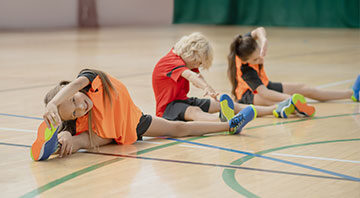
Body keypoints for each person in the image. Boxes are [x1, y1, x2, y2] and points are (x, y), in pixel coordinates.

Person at [31, 69, 256, 161]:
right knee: (76, 139)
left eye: (74, 100)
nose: (81, 107)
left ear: (71, 90)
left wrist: (54, 102)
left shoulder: (91, 81)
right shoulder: (84, 120)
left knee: (179, 128)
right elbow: (89, 136)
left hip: (133, 121)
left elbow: (77, 83)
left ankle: (229, 125)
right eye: (75, 112)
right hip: (112, 133)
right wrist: (68, 138)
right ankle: (57, 144)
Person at [152, 32, 313, 121]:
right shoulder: (170, 61)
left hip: (182, 101)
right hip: (168, 109)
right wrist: (207, 88)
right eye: (199, 63)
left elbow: (198, 77)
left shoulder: (183, 59)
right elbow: (191, 77)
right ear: (192, 55)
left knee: (225, 104)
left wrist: (214, 93)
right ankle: (225, 122)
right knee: (194, 111)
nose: (198, 67)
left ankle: (276, 109)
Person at [227, 27, 360, 116]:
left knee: (304, 88)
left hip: (264, 84)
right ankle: (290, 107)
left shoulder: (244, 43)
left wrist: (263, 40)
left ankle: (351, 93)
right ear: (245, 60)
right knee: (275, 101)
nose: (260, 59)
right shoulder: (246, 70)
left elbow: (259, 30)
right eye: (255, 60)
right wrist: (289, 98)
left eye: (259, 54)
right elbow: (265, 92)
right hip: (248, 95)